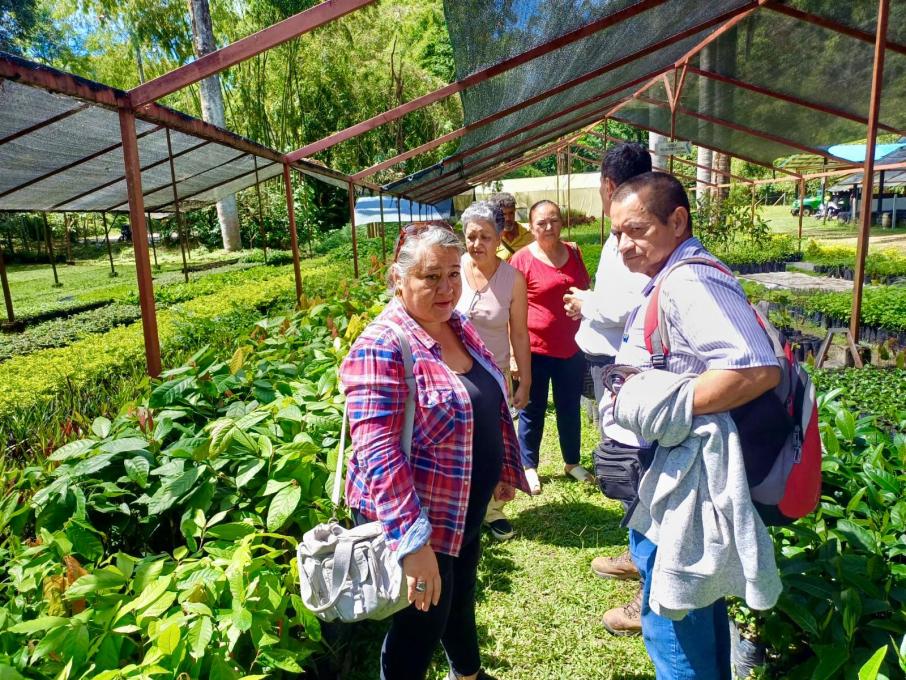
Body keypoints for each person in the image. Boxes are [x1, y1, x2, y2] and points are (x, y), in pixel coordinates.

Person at [607, 172, 780, 679]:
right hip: (676, 472)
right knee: (690, 607)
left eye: (635, 229)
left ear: (677, 219)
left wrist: (660, 407)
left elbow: (754, 368)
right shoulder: (672, 274)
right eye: (617, 233)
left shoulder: (689, 279)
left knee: (671, 619)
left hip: (686, 480)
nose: (622, 245)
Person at [340, 224, 529, 680]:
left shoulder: (456, 325)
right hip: (420, 517)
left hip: (461, 508)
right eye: (430, 277)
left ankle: (467, 673)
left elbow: (485, 401)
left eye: (452, 274)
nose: (446, 288)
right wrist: (413, 542)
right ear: (397, 279)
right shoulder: (383, 344)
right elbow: (378, 453)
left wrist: (502, 466)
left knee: (459, 597)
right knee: (418, 629)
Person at [562, 142, 651, 635]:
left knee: (631, 461)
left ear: (609, 186)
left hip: (627, 369)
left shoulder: (634, 239)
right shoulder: (637, 232)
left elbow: (623, 307)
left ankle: (648, 583)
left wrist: (585, 302)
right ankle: (638, 555)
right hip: (616, 364)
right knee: (624, 458)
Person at [456, 201, 531, 541]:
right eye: (471, 236)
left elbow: (518, 332)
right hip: (452, 373)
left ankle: (492, 511)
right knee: (458, 445)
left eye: (485, 236)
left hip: (495, 373)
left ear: (499, 237)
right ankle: (460, 508)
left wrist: (524, 379)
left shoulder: (512, 279)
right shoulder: (453, 269)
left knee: (492, 445)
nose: (477, 244)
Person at [509, 200, 592, 494]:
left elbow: (584, 286)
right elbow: (510, 307)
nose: (548, 227)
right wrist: (514, 355)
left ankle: (572, 462)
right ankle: (528, 465)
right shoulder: (521, 260)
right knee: (533, 408)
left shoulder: (574, 252)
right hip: (535, 348)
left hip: (571, 347)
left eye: (554, 221)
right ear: (531, 227)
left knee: (570, 407)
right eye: (541, 223)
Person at [489, 192, 533, 260]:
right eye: (503, 214)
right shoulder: (490, 239)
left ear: (515, 211)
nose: (508, 218)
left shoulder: (530, 234)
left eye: (511, 213)